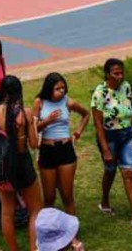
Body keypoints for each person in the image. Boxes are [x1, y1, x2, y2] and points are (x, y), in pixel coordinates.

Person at [90, 58, 132, 231]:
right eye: (116, 73)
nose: (120, 76)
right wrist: (105, 149)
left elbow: (130, 110)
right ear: (108, 74)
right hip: (108, 137)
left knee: (129, 173)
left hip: (126, 136)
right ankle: (104, 200)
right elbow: (98, 124)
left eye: (121, 72)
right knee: (110, 171)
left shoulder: (126, 87)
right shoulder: (99, 93)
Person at [0, 76, 44, 251]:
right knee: (35, 209)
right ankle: (32, 248)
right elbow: (34, 144)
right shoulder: (26, 113)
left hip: (2, 167)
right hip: (23, 163)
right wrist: (34, 125)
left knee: (7, 212)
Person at [33, 72, 90, 216]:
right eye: (57, 89)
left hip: (65, 149)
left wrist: (77, 132)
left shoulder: (67, 101)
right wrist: (47, 121)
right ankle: (49, 231)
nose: (61, 91)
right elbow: (33, 129)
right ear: (49, 89)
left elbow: (86, 114)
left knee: (67, 195)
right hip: (47, 150)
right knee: (49, 197)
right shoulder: (39, 102)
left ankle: (73, 234)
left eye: (63, 88)